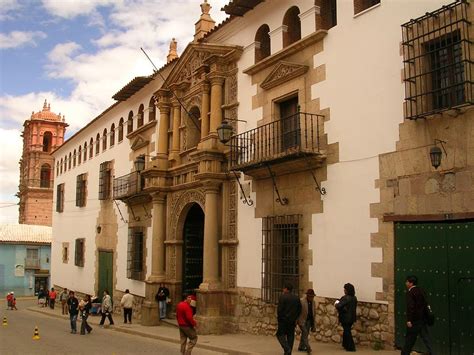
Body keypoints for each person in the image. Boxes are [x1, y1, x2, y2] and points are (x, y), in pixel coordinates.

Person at [401, 275, 434, 355]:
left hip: (414, 320)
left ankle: (404, 353)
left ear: (411, 283)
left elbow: (410, 307)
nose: (406, 283)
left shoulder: (410, 292)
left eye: (407, 282)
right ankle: (432, 352)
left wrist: (409, 320)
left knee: (410, 339)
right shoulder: (421, 290)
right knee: (426, 338)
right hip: (422, 319)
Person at [276, 284, 302, 355]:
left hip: (283, 320)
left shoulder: (282, 297)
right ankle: (288, 352)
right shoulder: (296, 298)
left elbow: (279, 310)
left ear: (286, 289)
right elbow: (299, 309)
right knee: (290, 336)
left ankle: (287, 348)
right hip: (292, 321)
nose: (283, 290)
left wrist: (279, 318)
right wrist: (295, 318)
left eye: (284, 288)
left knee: (280, 335)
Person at [335, 283, 357, 352]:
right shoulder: (354, 298)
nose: (344, 290)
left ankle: (351, 347)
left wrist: (336, 304)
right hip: (352, 317)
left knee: (347, 332)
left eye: (345, 289)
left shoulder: (346, 298)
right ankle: (345, 344)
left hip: (345, 317)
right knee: (347, 330)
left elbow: (339, 306)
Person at [297, 289, 317, 354]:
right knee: (305, 332)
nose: (311, 298)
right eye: (310, 296)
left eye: (312, 296)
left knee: (305, 334)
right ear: (307, 296)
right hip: (302, 320)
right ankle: (308, 347)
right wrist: (297, 321)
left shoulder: (313, 302)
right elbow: (298, 311)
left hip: (309, 321)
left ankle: (301, 346)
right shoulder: (302, 301)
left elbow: (314, 312)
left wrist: (313, 324)